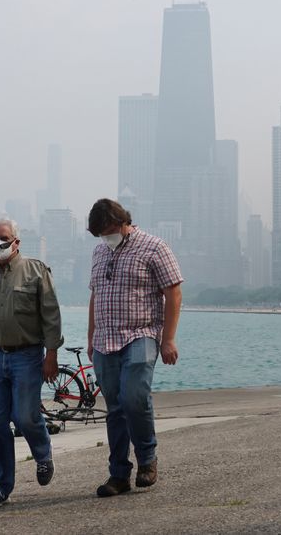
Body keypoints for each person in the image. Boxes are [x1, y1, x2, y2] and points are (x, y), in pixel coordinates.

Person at [0, 217, 63, 510]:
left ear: (16, 241)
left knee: (26, 416)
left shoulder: (36, 271)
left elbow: (51, 316)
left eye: (4, 239)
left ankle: (42, 455)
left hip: (27, 356)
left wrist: (51, 354)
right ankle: (1, 487)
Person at [86, 198, 183, 498]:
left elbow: (174, 291)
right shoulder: (100, 251)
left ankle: (147, 459)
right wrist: (90, 336)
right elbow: (95, 295)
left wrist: (168, 339)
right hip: (105, 339)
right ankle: (118, 474)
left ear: (122, 222)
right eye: (100, 233)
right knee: (114, 408)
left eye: (109, 230)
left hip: (141, 334)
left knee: (134, 397)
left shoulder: (154, 247)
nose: (106, 236)